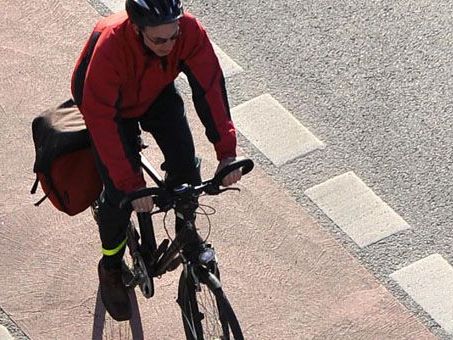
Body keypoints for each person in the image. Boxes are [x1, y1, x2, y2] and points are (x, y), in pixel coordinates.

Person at [71, 0, 242, 321]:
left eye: (173, 36)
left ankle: (186, 236)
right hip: (108, 108)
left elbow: (210, 86)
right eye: (159, 40)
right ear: (137, 30)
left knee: (187, 169)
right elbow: (102, 120)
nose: (169, 45)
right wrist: (131, 186)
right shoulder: (111, 48)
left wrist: (227, 152)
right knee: (120, 197)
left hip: (155, 91)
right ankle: (109, 266)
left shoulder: (188, 32)